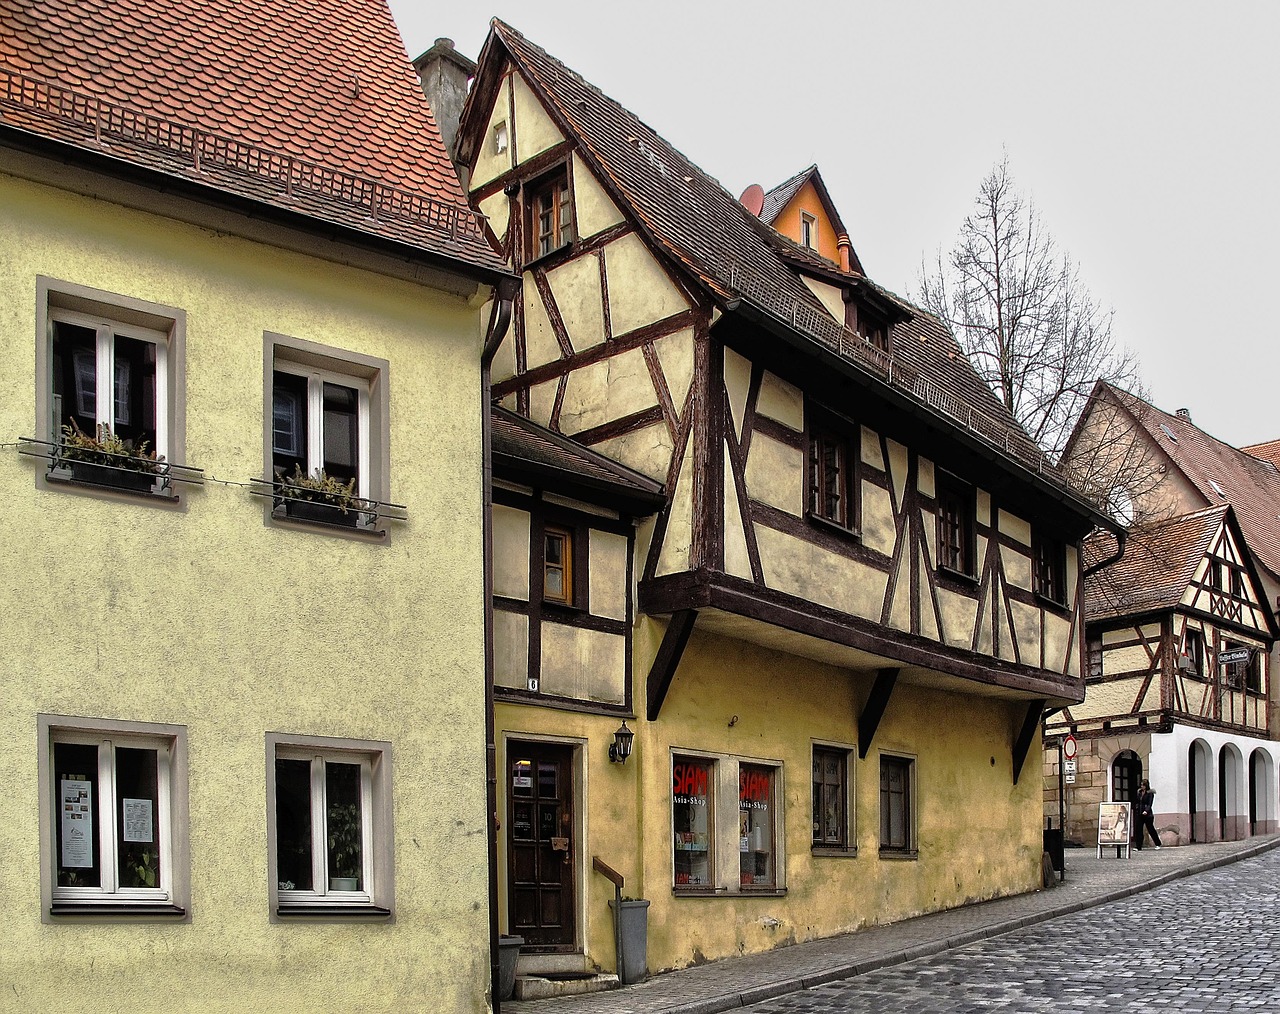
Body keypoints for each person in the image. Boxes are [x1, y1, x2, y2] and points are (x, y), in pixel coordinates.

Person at [1135, 779, 1162, 850]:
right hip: (1140, 813)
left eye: (1143, 785)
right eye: (1141, 785)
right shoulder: (1139, 792)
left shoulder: (1150, 793)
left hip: (1147, 815)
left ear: (1146, 786)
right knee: (1139, 829)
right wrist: (1137, 809)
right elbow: (1138, 802)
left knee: (1151, 829)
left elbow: (1150, 803)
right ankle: (1138, 846)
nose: (1142, 786)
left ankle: (1158, 843)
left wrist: (1146, 811)